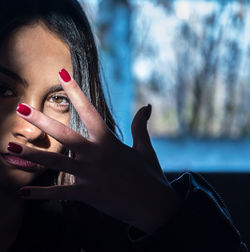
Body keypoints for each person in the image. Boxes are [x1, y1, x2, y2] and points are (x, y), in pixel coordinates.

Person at [0, 0, 247, 251]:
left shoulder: (95, 236)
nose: (30, 131)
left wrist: (163, 210)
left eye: (58, 99)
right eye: (3, 90)